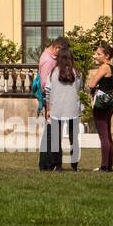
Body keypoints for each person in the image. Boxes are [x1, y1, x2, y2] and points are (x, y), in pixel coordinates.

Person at [41, 37, 81, 171]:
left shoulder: (54, 72)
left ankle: (56, 165)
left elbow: (47, 91)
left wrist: (48, 109)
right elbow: (78, 89)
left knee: (55, 140)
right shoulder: (77, 73)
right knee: (73, 138)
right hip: (72, 110)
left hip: (56, 110)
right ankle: (74, 164)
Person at [87, 42, 113, 172]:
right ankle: (109, 164)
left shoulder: (104, 67)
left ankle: (104, 166)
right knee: (108, 135)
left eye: (98, 54)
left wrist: (93, 88)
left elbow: (92, 84)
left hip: (101, 104)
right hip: (110, 103)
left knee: (103, 135)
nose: (96, 56)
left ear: (106, 56)